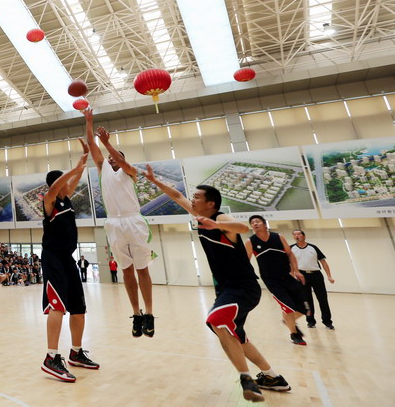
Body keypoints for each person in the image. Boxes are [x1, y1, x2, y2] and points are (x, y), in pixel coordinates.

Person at [143, 167, 291, 401]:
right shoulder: (199, 215)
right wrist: (154, 180)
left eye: (197, 197)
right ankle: (273, 377)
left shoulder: (220, 218)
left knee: (217, 320)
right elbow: (177, 196)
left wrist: (219, 226)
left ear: (210, 203)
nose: (193, 200)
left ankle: (246, 380)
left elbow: (242, 228)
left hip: (243, 287)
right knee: (237, 336)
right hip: (226, 289)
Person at [86, 112, 155, 338]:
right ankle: (136, 313)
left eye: (114, 157)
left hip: (133, 220)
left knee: (142, 269)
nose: (111, 159)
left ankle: (149, 313)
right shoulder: (103, 170)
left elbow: (122, 161)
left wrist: (108, 143)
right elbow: (92, 146)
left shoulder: (130, 172)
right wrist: (88, 121)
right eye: (109, 158)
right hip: (113, 223)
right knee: (126, 270)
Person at [39, 142, 99, 383]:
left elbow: (74, 181)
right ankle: (51, 357)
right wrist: (75, 168)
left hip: (67, 259)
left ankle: (76, 351)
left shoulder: (67, 200)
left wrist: (83, 162)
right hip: (52, 258)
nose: (69, 184)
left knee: (79, 308)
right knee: (57, 307)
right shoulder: (50, 201)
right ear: (58, 183)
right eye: (65, 181)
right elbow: (54, 188)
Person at [245, 216, 309, 345]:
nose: (255, 224)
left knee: (305, 309)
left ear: (265, 224)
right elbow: (245, 261)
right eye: (252, 223)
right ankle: (294, 334)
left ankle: (288, 321)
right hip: (271, 280)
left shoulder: (278, 237)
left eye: (257, 221)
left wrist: (296, 271)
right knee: (288, 308)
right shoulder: (250, 241)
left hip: (287, 276)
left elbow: (289, 253)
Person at [291, 230, 335, 330]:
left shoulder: (313, 247)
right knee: (307, 300)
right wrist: (292, 277)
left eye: (299, 234)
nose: (297, 236)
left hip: (316, 275)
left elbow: (323, 262)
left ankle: (327, 322)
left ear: (304, 236)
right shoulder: (291, 248)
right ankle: (310, 321)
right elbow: (290, 264)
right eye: (294, 234)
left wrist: (329, 276)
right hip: (301, 276)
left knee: (323, 299)